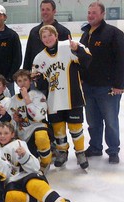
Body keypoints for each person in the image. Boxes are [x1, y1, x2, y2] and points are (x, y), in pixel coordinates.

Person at [32, 25, 92, 170]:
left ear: (56, 35)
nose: (47, 39)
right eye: (44, 37)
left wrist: (77, 49)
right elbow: (39, 83)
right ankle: (62, 152)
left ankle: (80, 152)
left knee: (76, 128)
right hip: (53, 101)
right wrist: (37, 79)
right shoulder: (39, 58)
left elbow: (88, 59)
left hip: (73, 97)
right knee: (58, 130)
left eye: (50, 35)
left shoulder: (68, 46)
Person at [0, 122, 85, 202]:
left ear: (12, 134)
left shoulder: (19, 144)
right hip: (11, 182)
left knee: (33, 185)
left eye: (6, 133)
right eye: (0, 133)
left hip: (26, 176)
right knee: (10, 199)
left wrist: (24, 156)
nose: (2, 136)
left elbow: (35, 167)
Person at [80, 2, 124, 164]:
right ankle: (95, 147)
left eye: (94, 13)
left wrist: (119, 84)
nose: (90, 15)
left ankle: (113, 150)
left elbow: (121, 60)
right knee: (92, 121)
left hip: (107, 88)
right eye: (89, 12)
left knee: (111, 121)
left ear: (103, 14)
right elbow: (83, 59)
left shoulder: (113, 33)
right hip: (89, 87)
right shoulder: (86, 33)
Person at [7, 69, 52, 174]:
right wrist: (15, 120)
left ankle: (45, 163)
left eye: (25, 80)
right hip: (23, 133)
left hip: (37, 127)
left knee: (41, 137)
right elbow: (10, 121)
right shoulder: (13, 100)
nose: (23, 83)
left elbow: (38, 116)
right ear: (16, 83)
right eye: (19, 81)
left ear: (30, 81)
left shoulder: (38, 95)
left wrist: (27, 99)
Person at [23, 0, 71, 71]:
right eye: (42, 10)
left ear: (54, 11)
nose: (44, 12)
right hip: (37, 74)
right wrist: (25, 73)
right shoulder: (34, 32)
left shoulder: (64, 32)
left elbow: (69, 56)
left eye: (48, 9)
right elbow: (28, 55)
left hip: (57, 74)